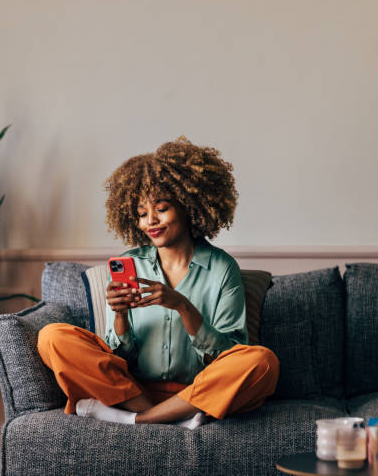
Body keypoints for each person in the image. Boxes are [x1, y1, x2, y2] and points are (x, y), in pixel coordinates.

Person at [37, 136, 279, 428]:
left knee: (262, 362)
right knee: (52, 337)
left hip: (197, 392)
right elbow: (117, 358)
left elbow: (229, 354)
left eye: (161, 209)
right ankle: (165, 417)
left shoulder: (221, 268)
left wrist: (181, 305)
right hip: (133, 390)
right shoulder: (131, 264)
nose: (150, 221)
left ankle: (141, 420)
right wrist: (120, 315)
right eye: (141, 213)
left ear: (188, 206)